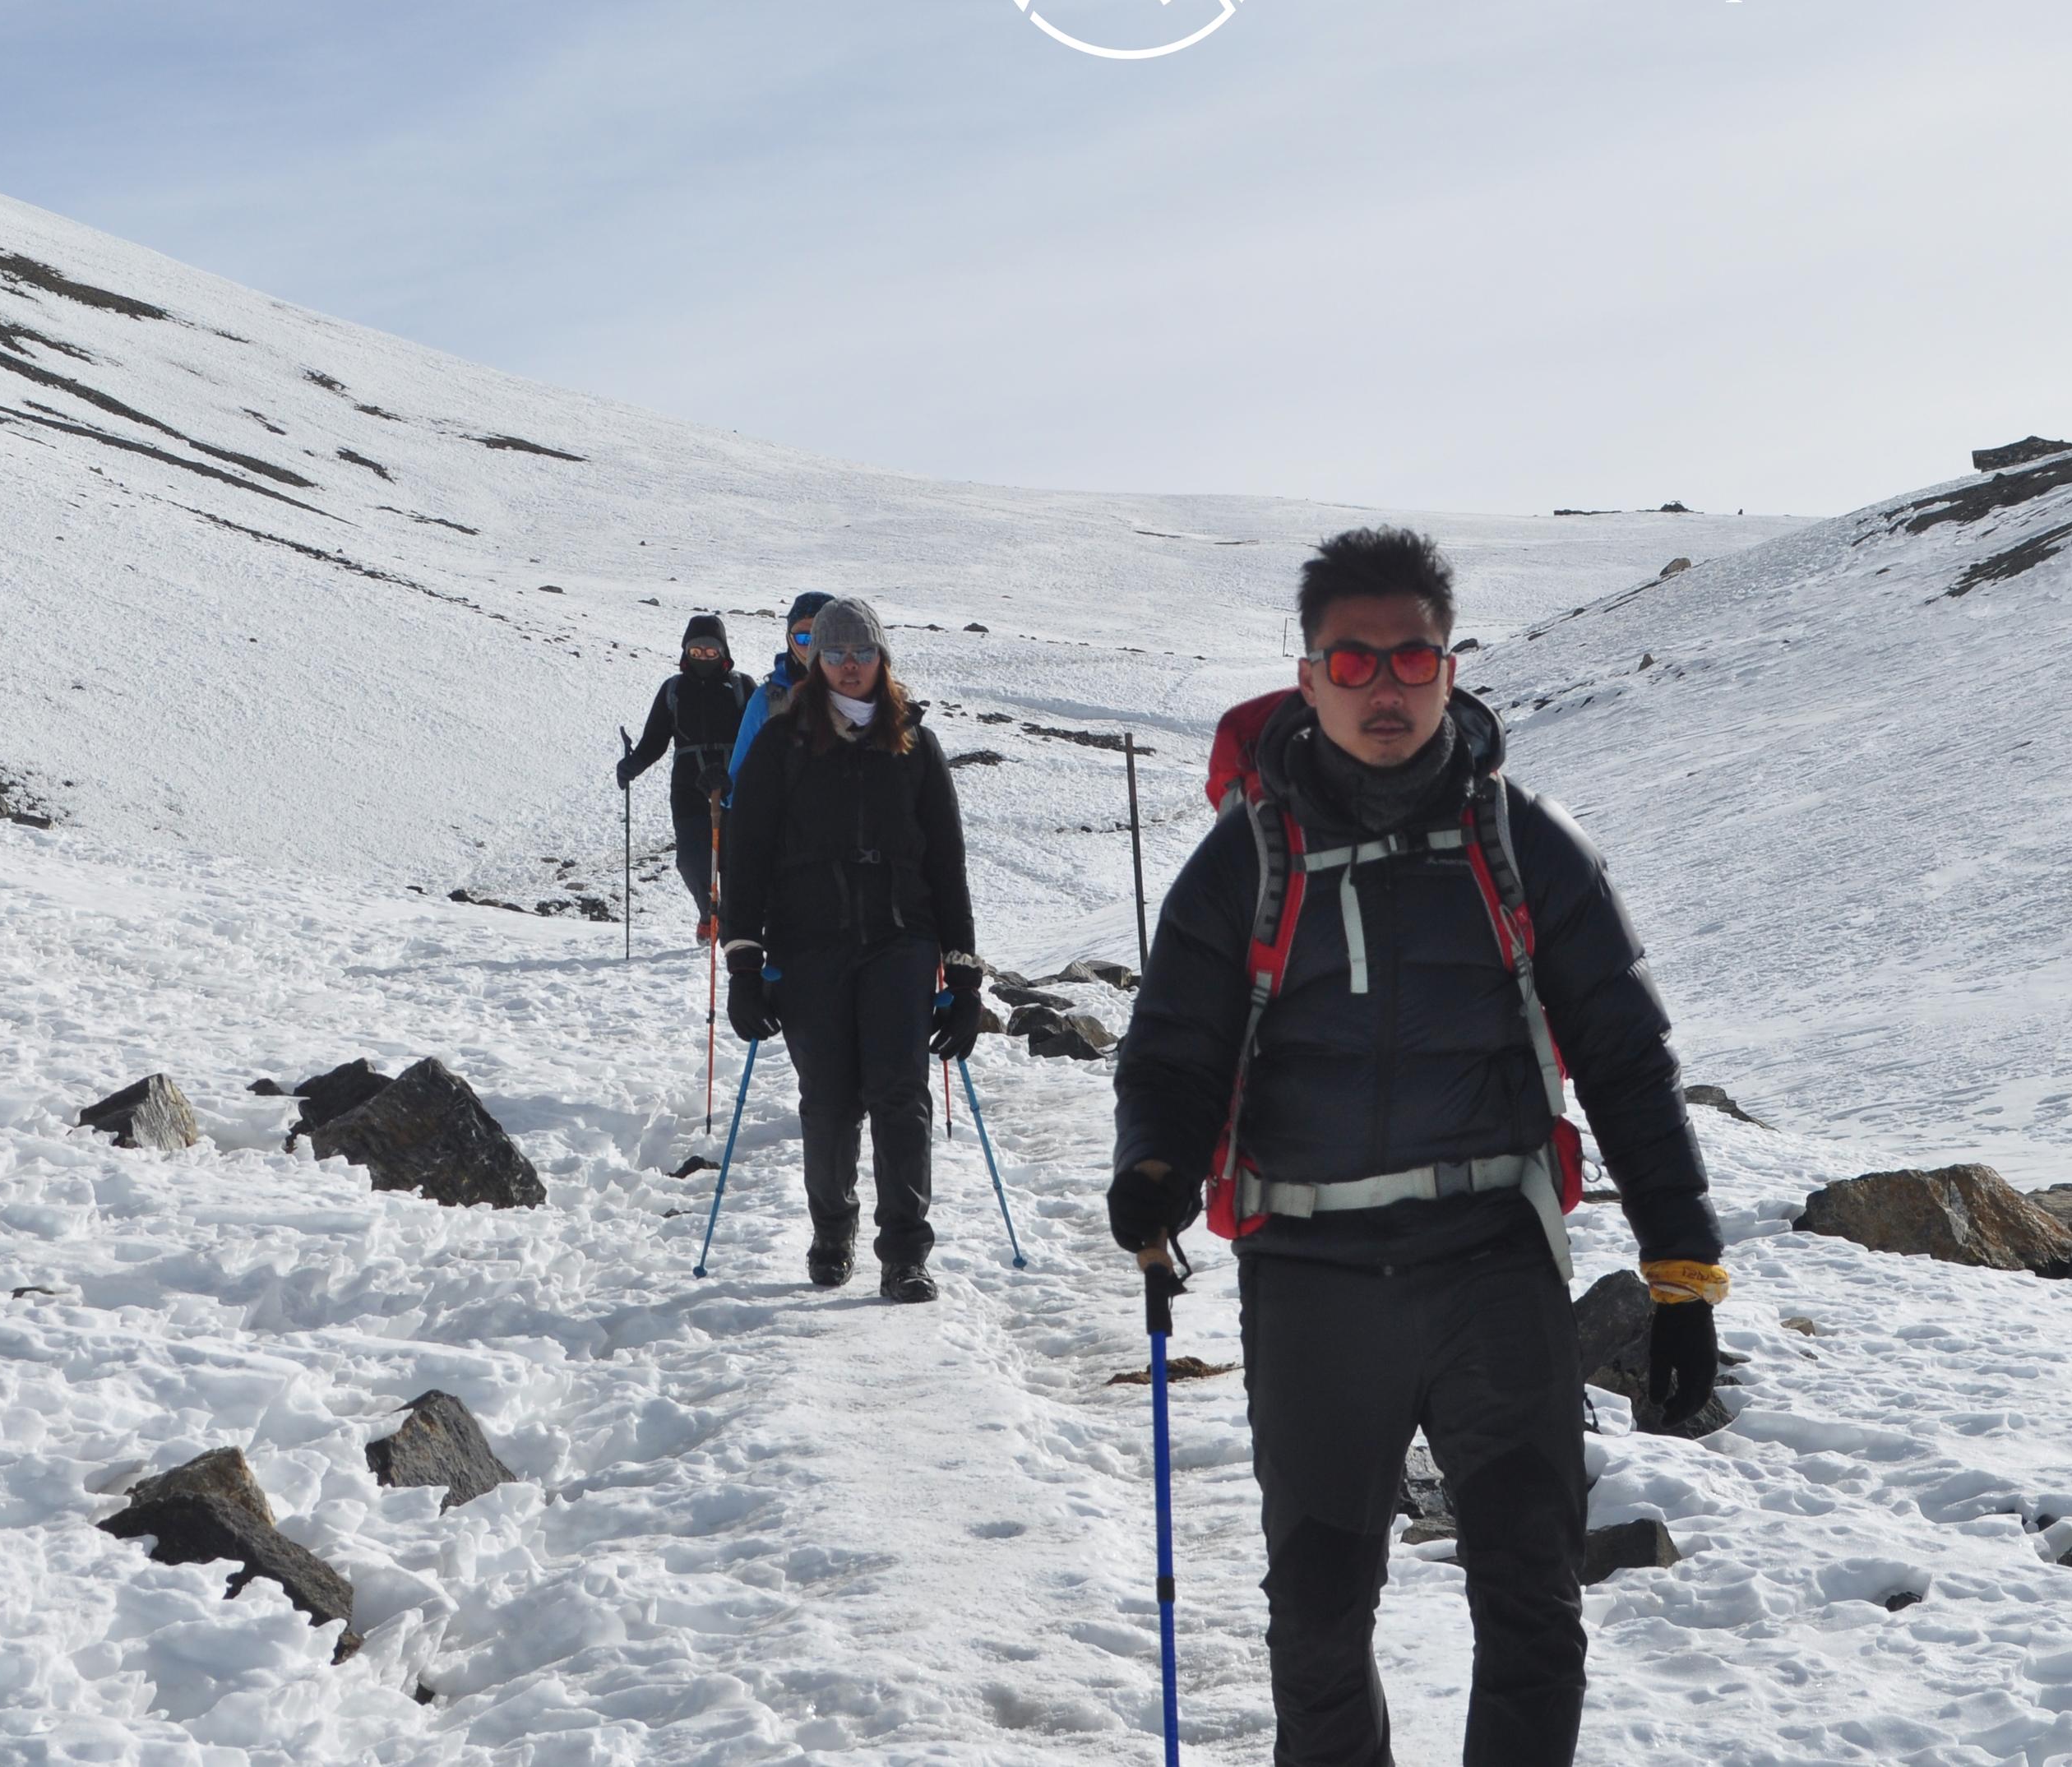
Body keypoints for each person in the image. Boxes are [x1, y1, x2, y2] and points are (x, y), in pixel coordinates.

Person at [1110, 526, 1722, 1767]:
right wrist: (1155, 1168)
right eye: (1353, 657)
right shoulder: (1247, 856)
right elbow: (1176, 1043)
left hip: (1491, 1262)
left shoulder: (1523, 841)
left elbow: (1624, 1055)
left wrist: (1684, 1270)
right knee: (1322, 1620)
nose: (1384, 682)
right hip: (1315, 1274)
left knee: (1534, 1602)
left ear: (1449, 664)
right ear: (1309, 672)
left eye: (1412, 654)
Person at [718, 597, 983, 1303]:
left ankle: (904, 1253)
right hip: (809, 946)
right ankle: (832, 1231)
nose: (849, 665)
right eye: (834, 653)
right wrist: (744, 966)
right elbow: (745, 862)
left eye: (862, 652)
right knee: (829, 1102)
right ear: (815, 662)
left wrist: (964, 976)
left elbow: (947, 865)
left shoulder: (913, 745)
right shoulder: (782, 743)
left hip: (900, 943)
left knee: (902, 1095)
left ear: (882, 657)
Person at [614, 614, 757, 937]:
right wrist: (632, 766)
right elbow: (655, 741)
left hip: (735, 784)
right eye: (696, 651)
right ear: (685, 652)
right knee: (692, 861)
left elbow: (761, 738)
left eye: (711, 650)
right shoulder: (673, 690)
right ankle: (709, 913)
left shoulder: (742, 687)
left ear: (723, 651)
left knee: (733, 861)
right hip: (688, 786)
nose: (704, 656)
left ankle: (733, 919)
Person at [724, 589, 831, 803]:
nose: (812, 646)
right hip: (786, 828)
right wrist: (725, 790)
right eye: (803, 637)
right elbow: (741, 779)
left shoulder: (864, 691)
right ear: (789, 640)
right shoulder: (767, 699)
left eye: (822, 635)